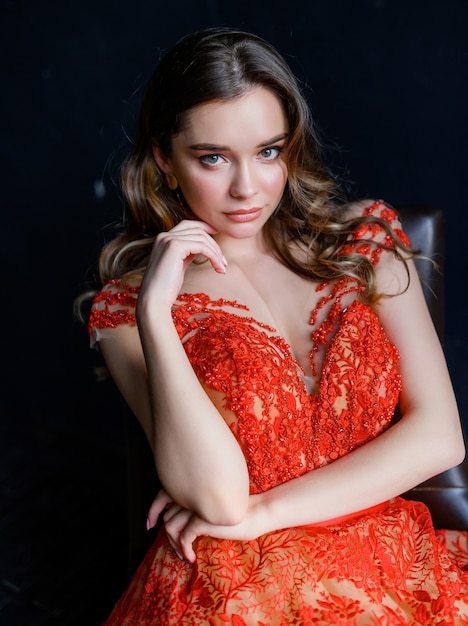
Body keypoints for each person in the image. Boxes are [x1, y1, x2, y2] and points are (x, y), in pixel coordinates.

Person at [84, 27, 468, 625]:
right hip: (232, 579)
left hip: (385, 562)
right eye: (213, 157)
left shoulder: (364, 240)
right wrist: (156, 318)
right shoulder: (127, 307)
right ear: (164, 157)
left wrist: (263, 513)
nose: (247, 188)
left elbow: (440, 438)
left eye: (268, 151)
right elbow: (217, 499)